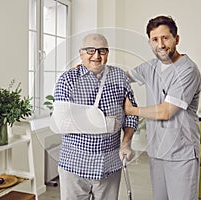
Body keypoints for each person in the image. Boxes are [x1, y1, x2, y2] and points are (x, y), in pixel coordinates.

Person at [124, 16, 201, 200]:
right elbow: (123, 76)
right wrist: (93, 69)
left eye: (165, 38)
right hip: (157, 151)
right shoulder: (150, 67)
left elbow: (167, 111)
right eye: (155, 39)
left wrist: (133, 111)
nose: (161, 44)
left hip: (181, 154)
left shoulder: (188, 70)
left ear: (177, 39)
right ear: (150, 42)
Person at [54, 33, 138, 200]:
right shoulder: (67, 80)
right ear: (81, 53)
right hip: (75, 164)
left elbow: (131, 114)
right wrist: (105, 124)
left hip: (110, 164)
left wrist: (126, 143)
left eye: (102, 51)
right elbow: (62, 121)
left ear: (108, 53)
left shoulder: (119, 77)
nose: (96, 56)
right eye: (90, 51)